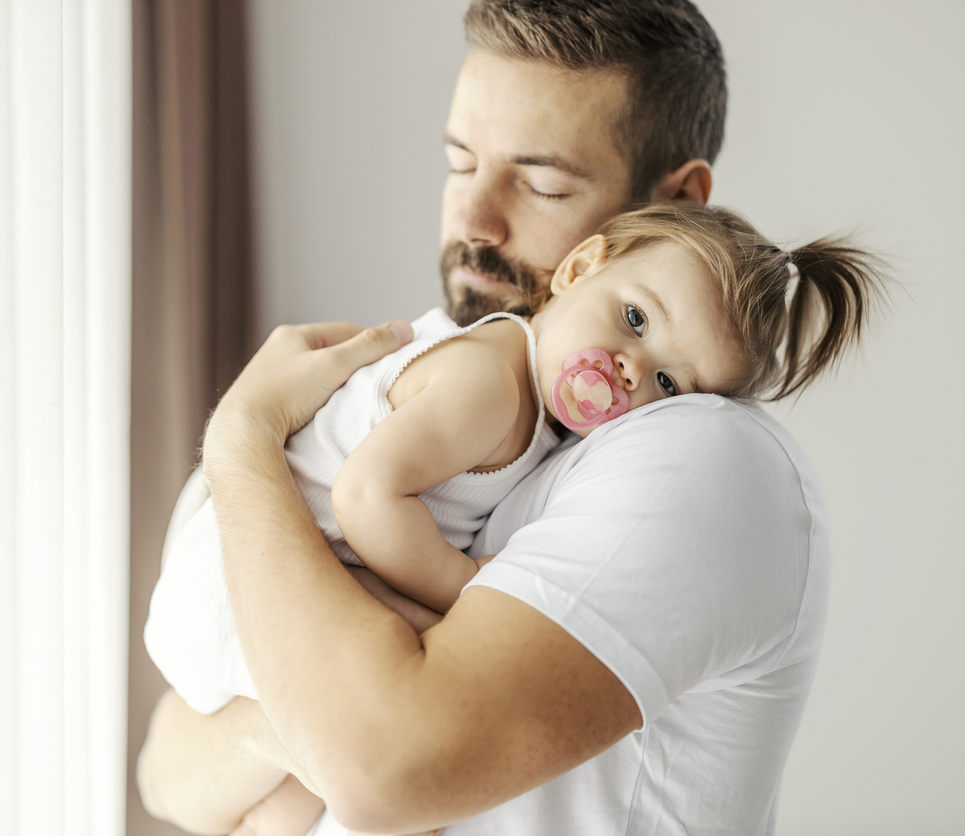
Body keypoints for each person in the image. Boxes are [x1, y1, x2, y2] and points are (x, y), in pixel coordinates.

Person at [137, 1, 834, 834]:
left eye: (541, 183)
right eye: (460, 163)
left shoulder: (701, 450)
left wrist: (243, 437)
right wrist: (317, 715)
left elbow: (376, 767)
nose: (473, 223)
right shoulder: (440, 397)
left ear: (675, 199)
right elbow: (167, 769)